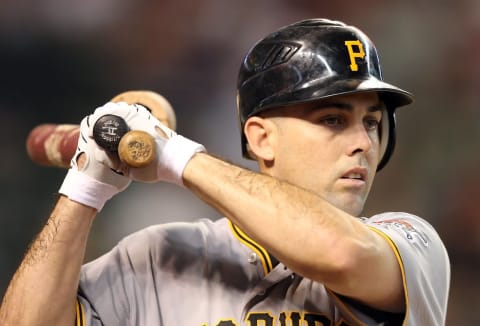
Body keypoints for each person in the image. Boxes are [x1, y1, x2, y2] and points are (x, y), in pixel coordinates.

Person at [0, 18, 450, 326]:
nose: (364, 143)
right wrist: (86, 181)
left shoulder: (411, 243)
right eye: (333, 119)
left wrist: (174, 154)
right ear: (260, 138)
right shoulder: (161, 255)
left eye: (372, 122)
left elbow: (338, 253)